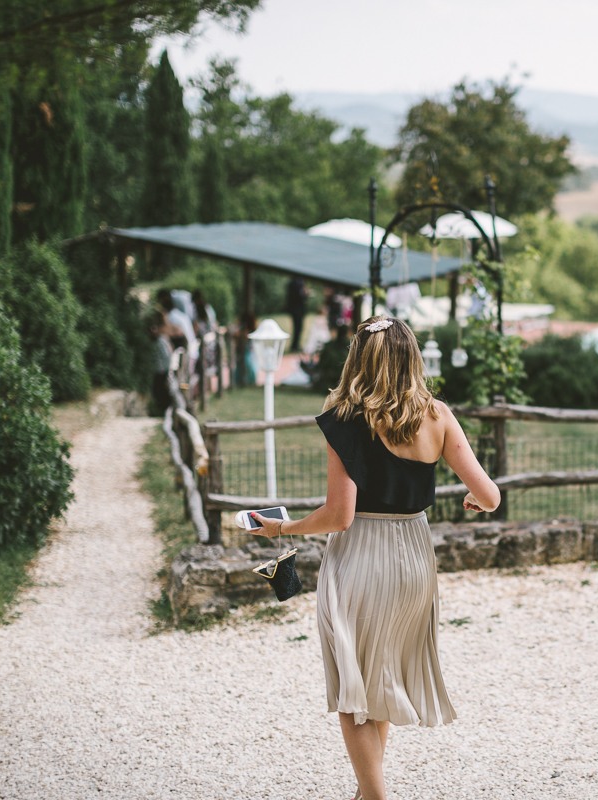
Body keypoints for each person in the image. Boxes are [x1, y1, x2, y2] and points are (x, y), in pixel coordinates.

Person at [251, 317, 500, 800]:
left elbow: (340, 516)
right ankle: (369, 792)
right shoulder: (438, 415)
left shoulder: (345, 420)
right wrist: (473, 501)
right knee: (381, 675)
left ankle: (376, 797)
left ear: (358, 360)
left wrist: (281, 527)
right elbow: (488, 496)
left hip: (362, 555)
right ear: (411, 357)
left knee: (352, 683)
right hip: (413, 557)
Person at [287, 276, 309, 353]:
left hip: (300, 308)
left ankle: (296, 344)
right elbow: (292, 295)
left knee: (300, 327)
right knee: (296, 326)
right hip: (295, 308)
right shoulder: (293, 282)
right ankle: (294, 346)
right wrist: (302, 293)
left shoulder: (302, 282)